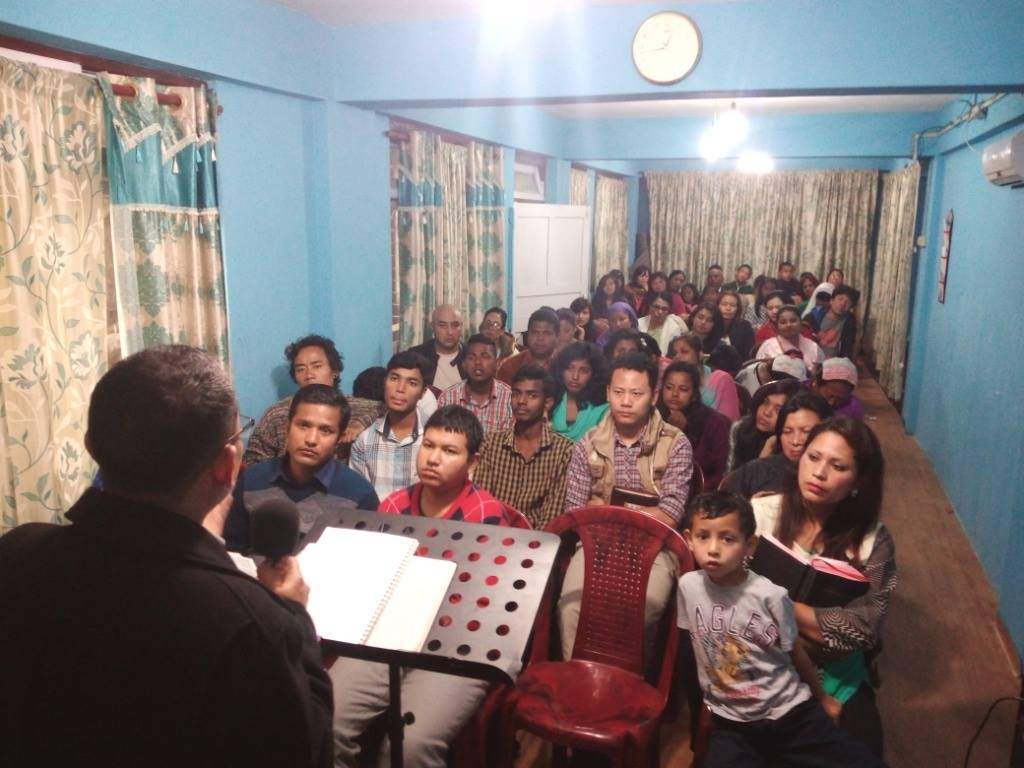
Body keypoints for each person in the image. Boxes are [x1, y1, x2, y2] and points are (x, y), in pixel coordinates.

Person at [0, 345, 333, 766]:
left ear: (90, 446)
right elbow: (307, 751)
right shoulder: (252, 625)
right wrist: (294, 618)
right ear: (228, 466)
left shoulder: (17, 552)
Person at [330, 406, 511, 768]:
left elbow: (484, 607)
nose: (433, 458)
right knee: (327, 716)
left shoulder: (486, 514)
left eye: (449, 451)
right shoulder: (394, 505)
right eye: (429, 446)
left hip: (455, 648)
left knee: (410, 745)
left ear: (472, 461)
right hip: (388, 636)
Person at [678, 491, 885, 768]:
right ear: (689, 539)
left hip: (790, 715)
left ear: (750, 545)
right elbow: (694, 647)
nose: (713, 549)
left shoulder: (770, 596)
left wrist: (823, 699)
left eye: (727, 539)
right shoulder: (688, 587)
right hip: (732, 725)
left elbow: (795, 651)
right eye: (704, 537)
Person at [751, 419, 896, 756]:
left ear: (859, 480)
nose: (819, 473)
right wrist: (821, 626)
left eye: (838, 466)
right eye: (813, 457)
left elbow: (863, 630)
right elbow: (735, 601)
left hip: (836, 675)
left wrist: (778, 607)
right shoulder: (761, 514)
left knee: (863, 753)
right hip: (759, 662)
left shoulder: (872, 541)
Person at [558, 352, 694, 659]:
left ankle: (629, 686)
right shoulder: (589, 443)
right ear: (607, 392)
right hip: (596, 545)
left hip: (655, 548)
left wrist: (607, 511)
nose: (626, 402)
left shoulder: (675, 442)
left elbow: (671, 513)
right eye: (618, 392)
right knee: (571, 606)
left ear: (653, 395)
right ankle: (577, 678)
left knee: (644, 608)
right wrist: (630, 516)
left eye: (636, 393)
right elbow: (576, 510)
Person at [225, 384, 380, 551]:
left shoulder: (359, 494)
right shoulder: (252, 481)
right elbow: (232, 552)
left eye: (325, 430)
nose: (311, 439)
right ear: (287, 428)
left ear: (339, 438)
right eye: (303, 426)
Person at [246, 334, 377, 466]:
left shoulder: (357, 408)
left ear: (334, 371)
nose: (309, 375)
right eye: (300, 369)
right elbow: (253, 462)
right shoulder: (277, 414)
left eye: (317, 366)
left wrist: (360, 423)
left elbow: (385, 408)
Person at [473, 366, 575, 529]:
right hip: (491, 536)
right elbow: (482, 502)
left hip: (538, 543)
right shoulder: (492, 442)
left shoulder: (564, 450)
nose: (521, 401)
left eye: (532, 395)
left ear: (547, 402)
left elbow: (552, 518)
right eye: (516, 393)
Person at [722, 390, 832, 498]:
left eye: (806, 432)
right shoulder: (755, 472)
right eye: (787, 432)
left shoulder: (833, 475)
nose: (795, 441)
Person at [349, 351, 429, 500]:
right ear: (384, 382)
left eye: (412, 383)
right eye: (394, 378)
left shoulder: (433, 437)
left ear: (423, 393)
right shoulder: (365, 440)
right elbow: (356, 498)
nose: (400, 388)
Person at [658, 361, 731, 489]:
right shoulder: (652, 415)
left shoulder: (714, 422)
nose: (674, 394)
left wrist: (681, 434)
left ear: (693, 394)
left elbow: (718, 469)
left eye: (683, 389)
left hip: (698, 489)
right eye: (669, 387)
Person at [437, 333, 513, 435]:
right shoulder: (448, 398)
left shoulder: (509, 398)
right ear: (463, 364)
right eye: (471, 357)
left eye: (485, 357)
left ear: (497, 363)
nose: (478, 362)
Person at [727, 379, 803, 472]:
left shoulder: (794, 446)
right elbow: (731, 477)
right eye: (766, 402)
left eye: (778, 410)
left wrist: (769, 449)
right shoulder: (742, 427)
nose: (766, 412)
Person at [550, 341, 610, 442]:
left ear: (594, 374)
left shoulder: (603, 409)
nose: (575, 376)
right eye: (569, 368)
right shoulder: (550, 399)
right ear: (560, 370)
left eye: (583, 370)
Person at [407, 304, 467, 391]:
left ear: (461, 326)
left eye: (455, 325)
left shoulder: (471, 356)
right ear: (432, 326)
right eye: (442, 325)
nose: (450, 332)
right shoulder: (416, 356)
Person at [496, 307, 560, 384]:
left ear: (557, 337)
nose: (540, 338)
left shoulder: (566, 366)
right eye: (535, 332)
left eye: (546, 333)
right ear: (527, 335)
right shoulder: (510, 367)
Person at [757, 305, 825, 377]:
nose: (788, 325)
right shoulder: (767, 347)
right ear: (777, 326)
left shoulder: (813, 347)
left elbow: (821, 377)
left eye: (793, 321)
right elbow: (759, 376)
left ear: (801, 323)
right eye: (783, 322)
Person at [809, 285, 859, 359]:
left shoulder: (849, 322)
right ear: (831, 301)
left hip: (834, 363)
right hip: (811, 357)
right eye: (840, 299)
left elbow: (847, 349)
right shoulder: (816, 314)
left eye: (848, 302)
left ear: (850, 308)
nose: (843, 304)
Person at [717, 290, 755, 360]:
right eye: (724, 304)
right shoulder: (711, 323)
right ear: (717, 305)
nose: (728, 308)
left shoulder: (745, 326)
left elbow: (748, 354)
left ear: (738, 308)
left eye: (732, 305)